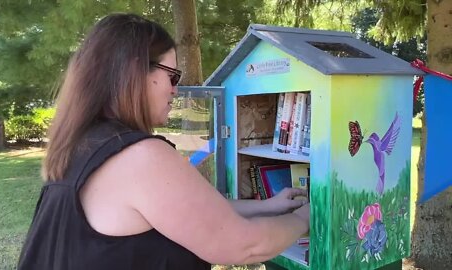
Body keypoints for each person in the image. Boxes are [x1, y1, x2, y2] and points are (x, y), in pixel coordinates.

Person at [18, 13, 310, 270]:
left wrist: (269, 205)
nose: (176, 89)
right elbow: (244, 246)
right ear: (133, 72)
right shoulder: (140, 157)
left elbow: (195, 212)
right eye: (172, 76)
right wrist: (306, 218)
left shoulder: (82, 145)